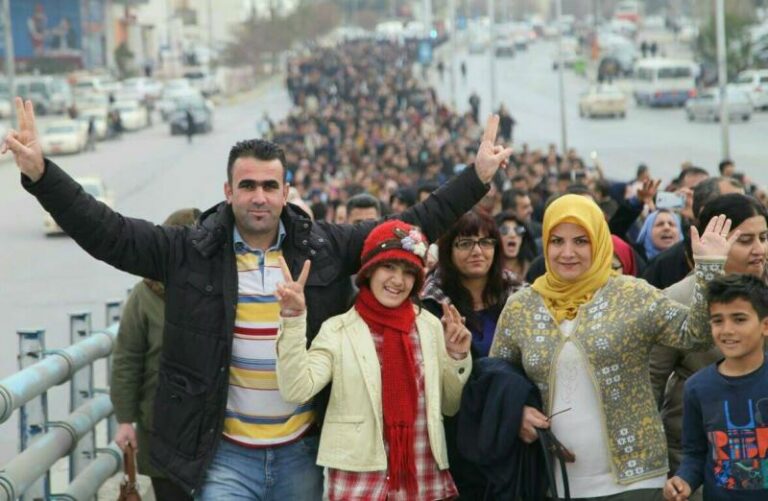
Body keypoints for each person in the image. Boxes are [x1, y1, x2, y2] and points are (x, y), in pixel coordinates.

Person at [5, 98, 512, 498]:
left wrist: (478, 178)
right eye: (247, 185)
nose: (259, 196)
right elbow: (108, 232)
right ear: (227, 190)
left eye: (270, 185)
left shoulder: (324, 246)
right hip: (222, 457)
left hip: (304, 451)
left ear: (286, 190)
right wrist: (42, 175)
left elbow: (409, 228)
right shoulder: (187, 251)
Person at [490, 194, 737, 500]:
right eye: (557, 241)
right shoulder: (521, 307)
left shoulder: (630, 294)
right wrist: (517, 412)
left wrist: (709, 271)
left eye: (581, 241)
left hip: (636, 481)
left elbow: (696, 336)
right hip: (553, 481)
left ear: (599, 241)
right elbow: (497, 378)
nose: (568, 252)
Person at [274, 220, 472, 500]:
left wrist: (457, 355)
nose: (397, 281)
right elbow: (296, 389)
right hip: (358, 484)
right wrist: (293, 320)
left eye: (408, 272)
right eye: (388, 267)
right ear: (369, 271)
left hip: (422, 479)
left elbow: (450, 406)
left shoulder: (429, 326)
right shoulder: (338, 329)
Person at [649, 194, 768, 489]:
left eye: (764, 238)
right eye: (745, 241)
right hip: (699, 465)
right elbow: (651, 380)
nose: (759, 250)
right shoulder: (678, 300)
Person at [421, 210, 522, 498]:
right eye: (465, 243)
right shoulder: (431, 304)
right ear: (448, 250)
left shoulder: (519, 296)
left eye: (486, 242)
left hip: (513, 427)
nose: (477, 251)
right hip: (458, 433)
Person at [111, 208, 201, 501]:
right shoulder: (144, 295)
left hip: (209, 432)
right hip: (159, 428)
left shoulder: (215, 291)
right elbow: (127, 360)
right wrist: (125, 419)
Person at [664, 274, 768, 501]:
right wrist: (683, 481)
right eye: (718, 320)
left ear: (765, 326)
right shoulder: (697, 388)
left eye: (739, 319)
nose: (727, 330)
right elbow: (695, 454)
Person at [496, 211, 537, 281]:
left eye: (518, 230)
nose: (512, 235)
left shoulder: (534, 269)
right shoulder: (487, 272)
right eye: (504, 230)